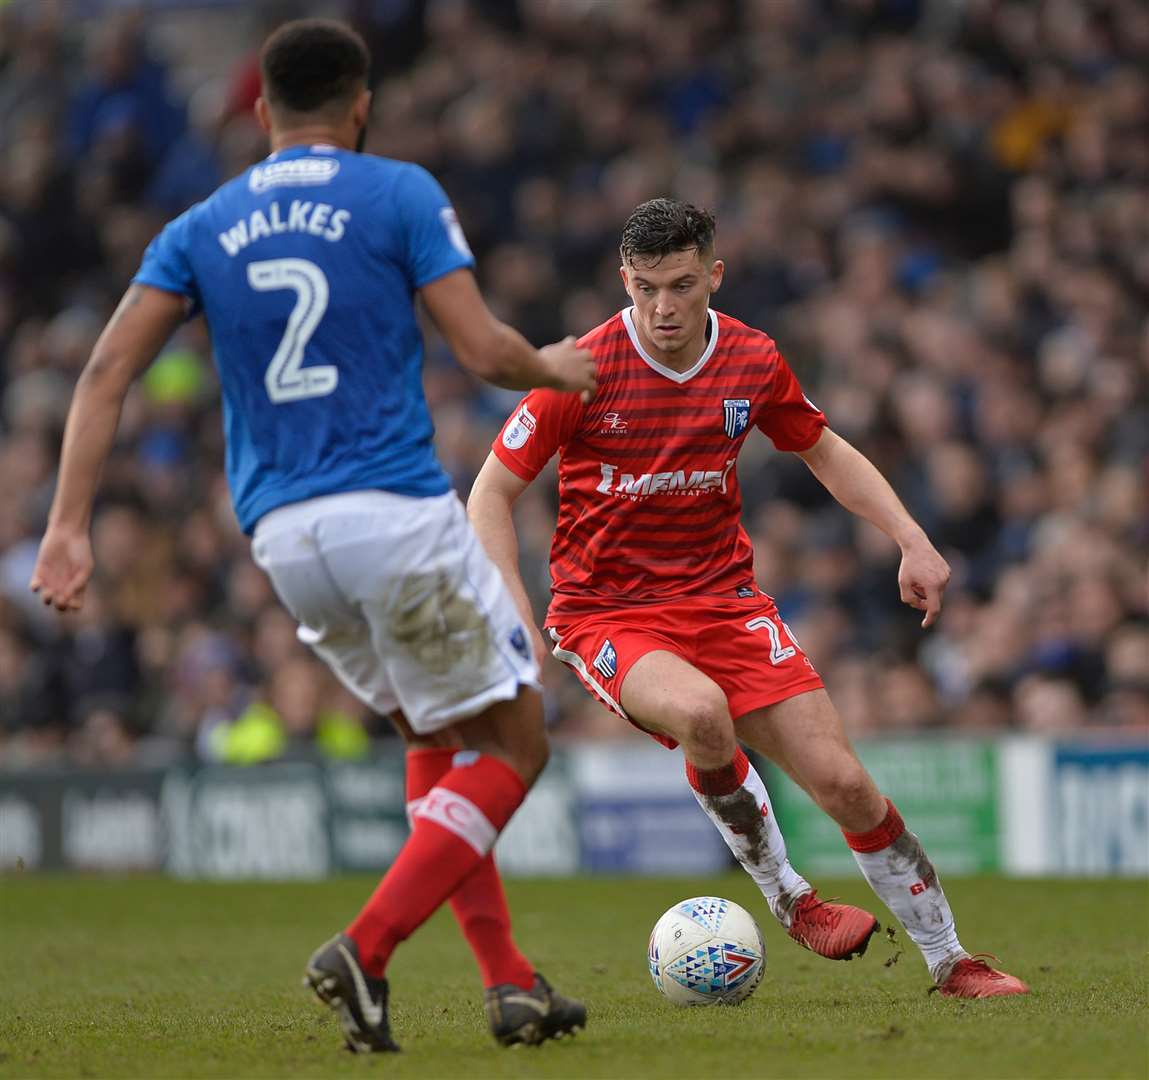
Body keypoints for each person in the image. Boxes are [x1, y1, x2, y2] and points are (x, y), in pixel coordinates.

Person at [30, 19, 595, 1054]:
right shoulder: (398, 193)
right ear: (362, 104)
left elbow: (106, 371)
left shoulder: (200, 226)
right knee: (517, 741)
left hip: (284, 540)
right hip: (390, 510)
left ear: (261, 113)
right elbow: (479, 348)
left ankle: (510, 984)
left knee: (435, 737)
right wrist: (555, 366)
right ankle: (367, 947)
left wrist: (66, 528)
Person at [468, 197, 1029, 999]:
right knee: (700, 713)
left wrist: (911, 539)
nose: (663, 307)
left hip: (727, 605)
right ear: (623, 280)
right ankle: (790, 899)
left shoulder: (751, 358)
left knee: (844, 785)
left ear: (714, 276)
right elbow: (488, 496)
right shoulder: (580, 370)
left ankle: (951, 960)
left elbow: (824, 450)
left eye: (682, 285)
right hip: (608, 614)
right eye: (645, 288)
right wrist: (512, 614)